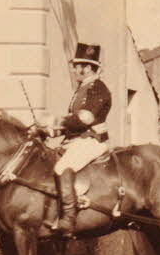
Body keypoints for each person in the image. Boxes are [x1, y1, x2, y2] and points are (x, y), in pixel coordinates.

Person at [44, 42, 112, 235]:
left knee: (62, 167)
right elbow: (73, 124)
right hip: (77, 139)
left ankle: (68, 220)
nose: (74, 70)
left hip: (92, 141)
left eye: (77, 66)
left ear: (88, 68)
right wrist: (52, 132)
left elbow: (85, 118)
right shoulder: (82, 88)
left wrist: (55, 120)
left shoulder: (98, 89)